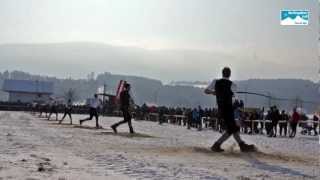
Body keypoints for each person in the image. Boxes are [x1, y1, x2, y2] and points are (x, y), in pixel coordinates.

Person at [204, 67, 255, 152]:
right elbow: (235, 99)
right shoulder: (233, 85)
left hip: (220, 110)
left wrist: (214, 93)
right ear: (230, 74)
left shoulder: (216, 82)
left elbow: (206, 91)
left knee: (232, 128)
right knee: (232, 128)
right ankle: (217, 145)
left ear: (222, 73)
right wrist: (232, 94)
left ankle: (241, 145)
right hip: (228, 110)